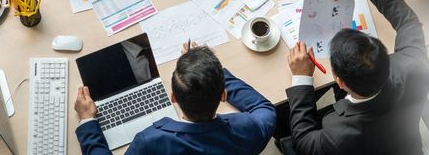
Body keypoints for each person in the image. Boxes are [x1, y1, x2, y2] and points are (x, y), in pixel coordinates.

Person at [279, 0, 429, 154]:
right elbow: (409, 22)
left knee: (281, 118)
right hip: (405, 143)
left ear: (341, 82)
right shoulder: (415, 66)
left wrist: (302, 78)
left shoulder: (338, 135)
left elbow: (304, 142)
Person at [74, 43, 277, 154]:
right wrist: (208, 71)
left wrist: (87, 122)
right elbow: (264, 108)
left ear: (173, 98)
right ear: (223, 95)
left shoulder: (150, 142)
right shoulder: (247, 128)